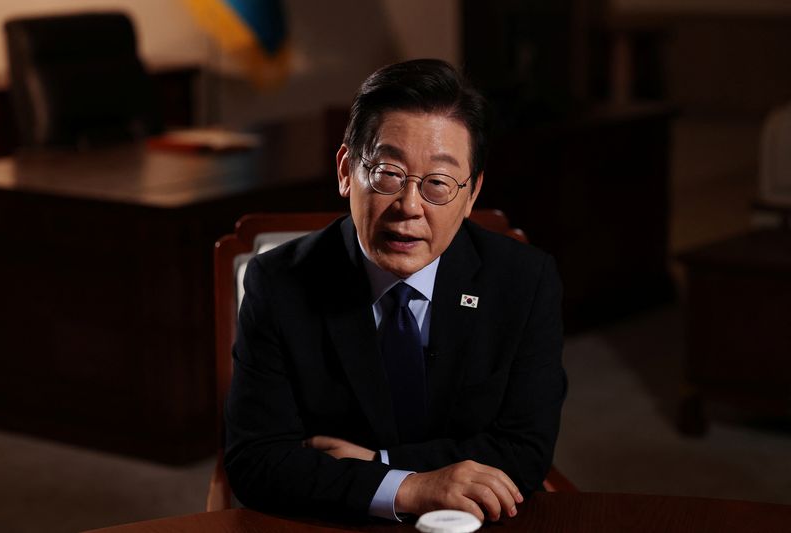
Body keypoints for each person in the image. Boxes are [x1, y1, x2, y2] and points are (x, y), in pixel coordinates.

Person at [225, 58, 566, 523]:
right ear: (346, 171)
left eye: (438, 184)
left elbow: (524, 451)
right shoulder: (278, 283)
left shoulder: (523, 281)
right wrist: (410, 488)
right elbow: (256, 462)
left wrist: (379, 463)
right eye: (388, 172)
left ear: (471, 194)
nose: (409, 206)